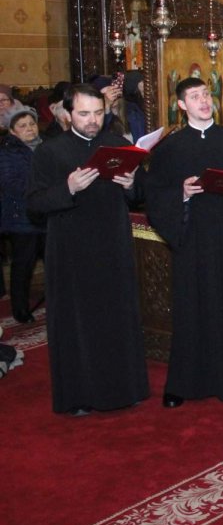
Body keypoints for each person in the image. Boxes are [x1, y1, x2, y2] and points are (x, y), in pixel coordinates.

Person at [25, 85, 148, 414]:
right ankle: (81, 396)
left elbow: (139, 195)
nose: (93, 121)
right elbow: (34, 205)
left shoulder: (118, 144)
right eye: (84, 114)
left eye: (98, 113)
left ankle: (125, 390)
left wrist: (131, 185)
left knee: (117, 317)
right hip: (71, 250)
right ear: (66, 114)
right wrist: (68, 187)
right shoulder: (50, 152)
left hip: (113, 244)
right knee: (78, 323)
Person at [145, 77, 223, 407]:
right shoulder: (170, 147)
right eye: (195, 97)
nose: (204, 101)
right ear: (182, 105)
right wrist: (180, 193)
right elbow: (154, 194)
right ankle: (184, 384)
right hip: (193, 240)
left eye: (206, 94)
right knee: (192, 308)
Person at [0, 109, 44, 324]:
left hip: (45, 214)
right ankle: (20, 310)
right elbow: (10, 183)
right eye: (23, 126)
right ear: (13, 131)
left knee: (53, 261)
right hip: (22, 217)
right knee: (23, 266)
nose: (29, 129)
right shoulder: (7, 152)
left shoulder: (44, 147)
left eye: (32, 124)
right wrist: (41, 188)